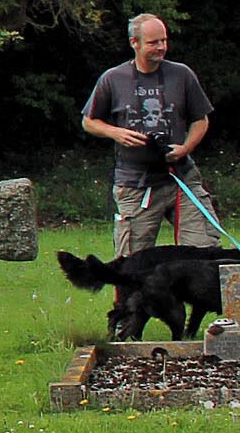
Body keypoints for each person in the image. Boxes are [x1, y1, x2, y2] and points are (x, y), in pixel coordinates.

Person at [82, 13, 212, 255]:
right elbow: (89, 121)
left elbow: (200, 120)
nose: (161, 47)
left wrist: (185, 148)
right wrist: (116, 133)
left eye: (164, 40)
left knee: (204, 252)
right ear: (135, 43)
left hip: (182, 178)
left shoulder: (182, 74)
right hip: (135, 183)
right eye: (154, 42)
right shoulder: (113, 78)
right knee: (131, 263)